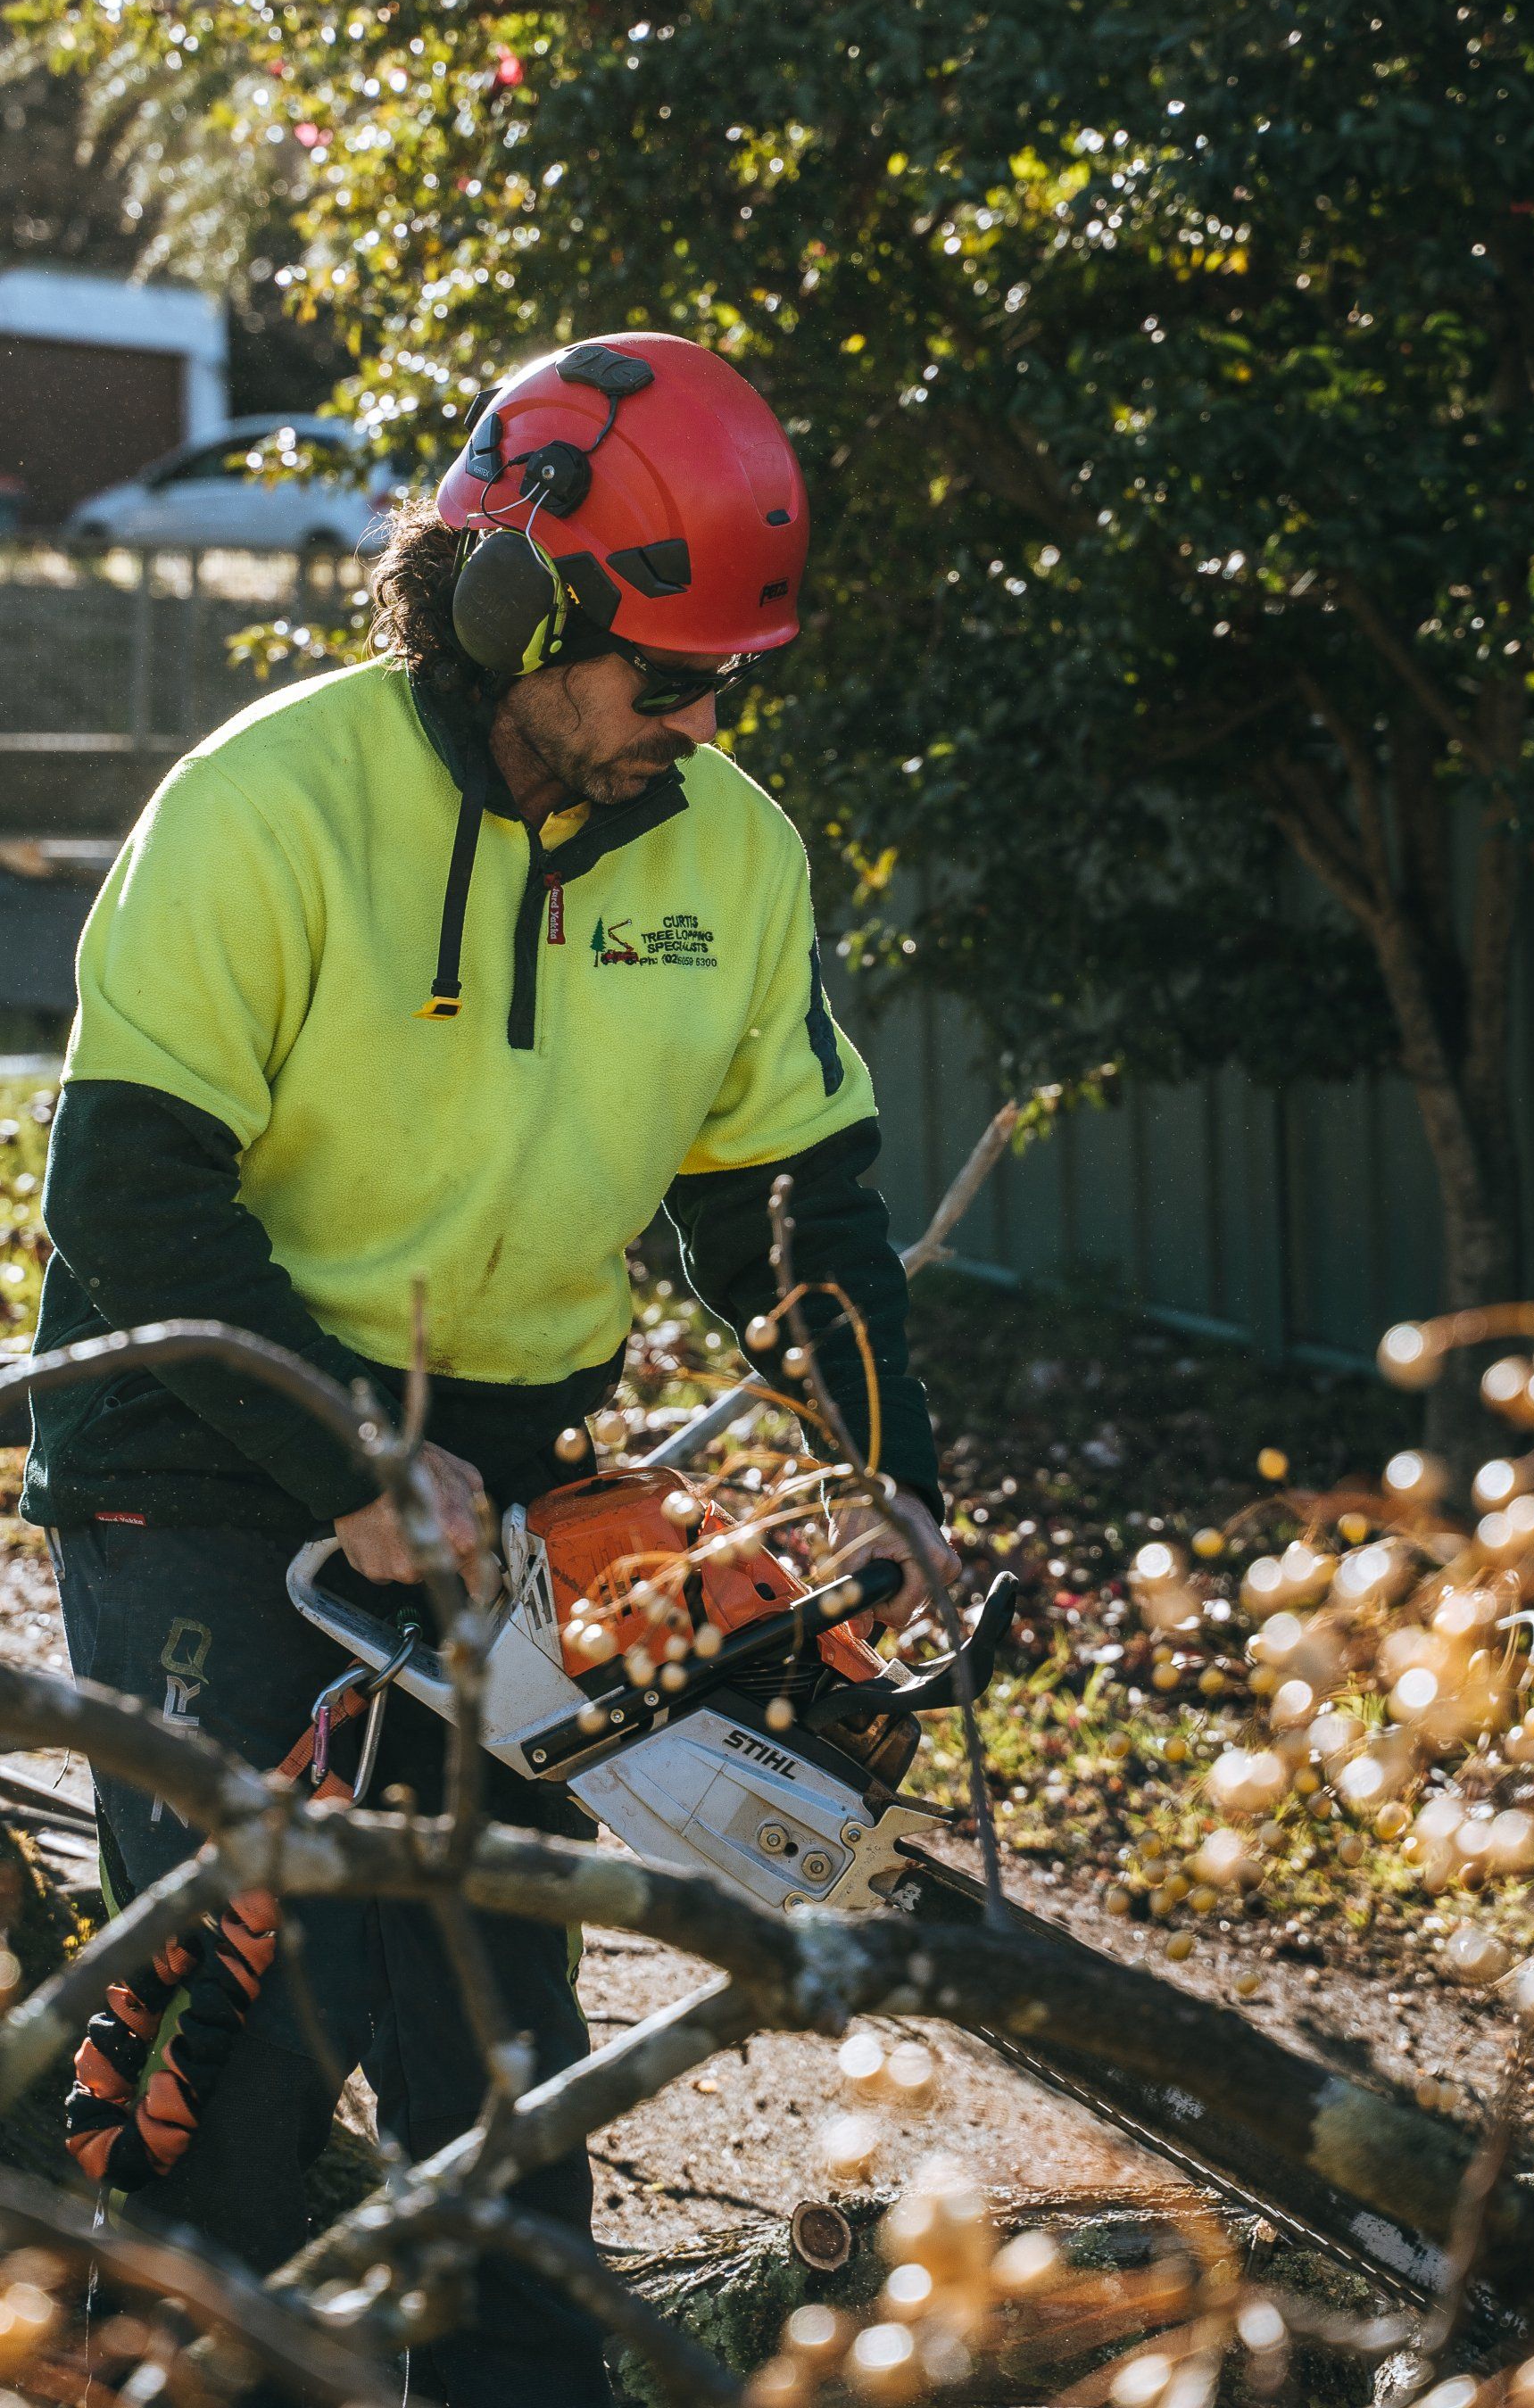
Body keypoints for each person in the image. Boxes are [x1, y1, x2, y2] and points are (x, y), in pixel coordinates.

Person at [24, 331, 955, 2406]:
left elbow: (794, 1210)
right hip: (201, 1447)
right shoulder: (266, 809)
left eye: (738, 679)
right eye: (668, 674)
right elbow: (128, 1190)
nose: (705, 720)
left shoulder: (729, 858)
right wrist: (344, 1443)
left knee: (500, 2050)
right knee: (220, 2041)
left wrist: (891, 1476)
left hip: (500, 1476)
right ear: (506, 603)